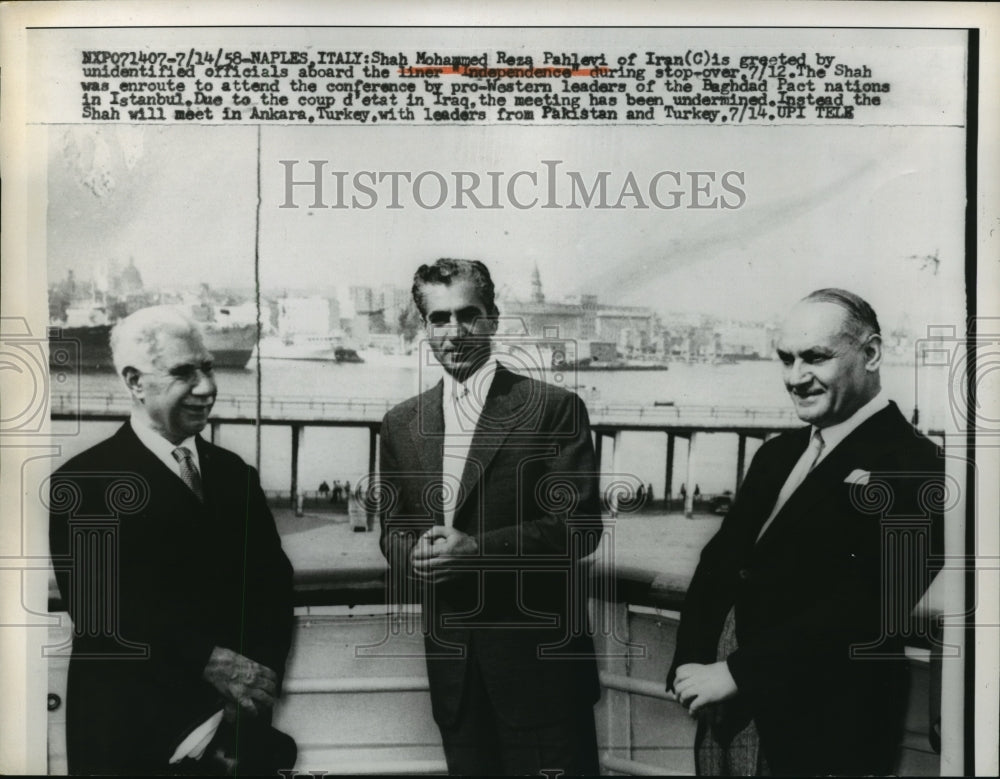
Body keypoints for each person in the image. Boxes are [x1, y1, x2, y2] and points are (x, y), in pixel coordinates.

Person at [666, 289, 944, 776]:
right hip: (723, 715)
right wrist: (690, 664)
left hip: (824, 730)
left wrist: (737, 673)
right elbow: (719, 563)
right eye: (786, 359)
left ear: (871, 353)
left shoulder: (917, 466)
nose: (795, 377)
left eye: (815, 358)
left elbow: (873, 604)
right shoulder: (777, 454)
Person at [48, 306, 297, 775]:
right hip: (129, 740)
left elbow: (273, 588)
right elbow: (100, 614)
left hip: (234, 738)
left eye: (208, 368)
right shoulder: (84, 483)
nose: (207, 387)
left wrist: (254, 689)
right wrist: (206, 660)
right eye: (184, 373)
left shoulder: (235, 475)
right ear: (135, 382)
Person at [378, 259, 603, 776]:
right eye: (439, 318)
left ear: (493, 319)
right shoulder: (400, 423)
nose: (454, 332)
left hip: (542, 678)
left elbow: (579, 526)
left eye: (468, 315)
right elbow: (394, 528)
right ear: (424, 327)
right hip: (456, 680)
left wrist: (476, 551)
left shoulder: (553, 408)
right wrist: (412, 556)